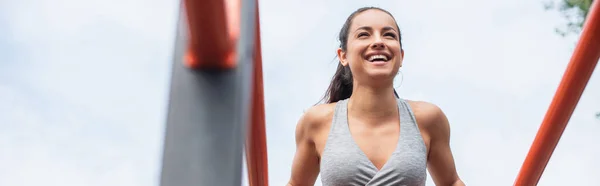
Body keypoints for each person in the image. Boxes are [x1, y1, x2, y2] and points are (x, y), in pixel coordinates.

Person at [286, 7, 465, 186]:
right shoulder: (316, 122)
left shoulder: (428, 119)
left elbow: (451, 182)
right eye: (364, 34)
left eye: (389, 35)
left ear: (401, 56)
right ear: (343, 55)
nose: (378, 41)